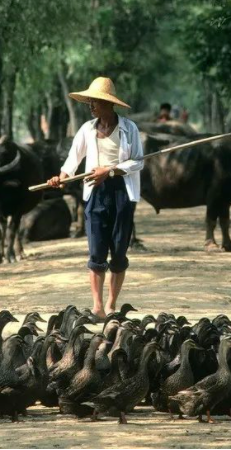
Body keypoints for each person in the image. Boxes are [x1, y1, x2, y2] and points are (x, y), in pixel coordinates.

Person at [47, 77, 144, 319]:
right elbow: (73, 159)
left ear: (107, 103)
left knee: (119, 251)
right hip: (95, 194)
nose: (90, 106)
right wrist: (61, 176)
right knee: (96, 251)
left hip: (122, 191)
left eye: (94, 101)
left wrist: (109, 171)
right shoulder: (87, 130)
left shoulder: (129, 128)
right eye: (89, 101)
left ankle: (111, 305)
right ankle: (97, 307)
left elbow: (138, 161)